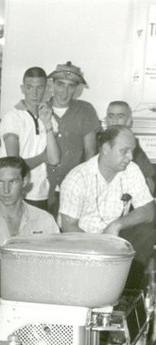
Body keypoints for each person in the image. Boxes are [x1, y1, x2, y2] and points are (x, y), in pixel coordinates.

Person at [59, 126, 155, 235]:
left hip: (116, 237)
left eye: (132, 151)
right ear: (106, 148)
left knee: (147, 233)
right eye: (124, 151)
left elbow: (149, 211)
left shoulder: (131, 170)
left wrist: (117, 224)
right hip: (84, 242)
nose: (131, 157)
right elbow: (68, 227)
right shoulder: (77, 179)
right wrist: (100, 245)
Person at [104, 101, 156, 288]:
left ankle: (130, 288)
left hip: (125, 213)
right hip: (96, 215)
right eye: (111, 116)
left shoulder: (134, 149)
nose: (115, 120)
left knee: (146, 233)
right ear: (105, 120)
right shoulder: (96, 142)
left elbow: (148, 185)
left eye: (120, 116)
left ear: (130, 121)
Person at [0, 67, 60, 211]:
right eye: (30, 87)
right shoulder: (12, 118)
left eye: (40, 87)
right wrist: (43, 156)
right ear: (22, 88)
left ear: (47, 88)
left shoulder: (49, 117)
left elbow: (55, 159)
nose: (35, 93)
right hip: (17, 194)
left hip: (41, 193)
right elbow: (14, 166)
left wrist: (48, 125)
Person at [46, 61, 100, 217]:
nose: (64, 91)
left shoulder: (85, 110)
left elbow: (90, 151)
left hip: (73, 189)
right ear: (52, 85)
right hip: (42, 188)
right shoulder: (41, 109)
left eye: (70, 86)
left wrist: (86, 185)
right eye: (60, 84)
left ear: (76, 89)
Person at [0, 156, 59, 257]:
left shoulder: (44, 220)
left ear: (25, 181)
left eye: (13, 182)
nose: (6, 190)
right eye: (0, 182)